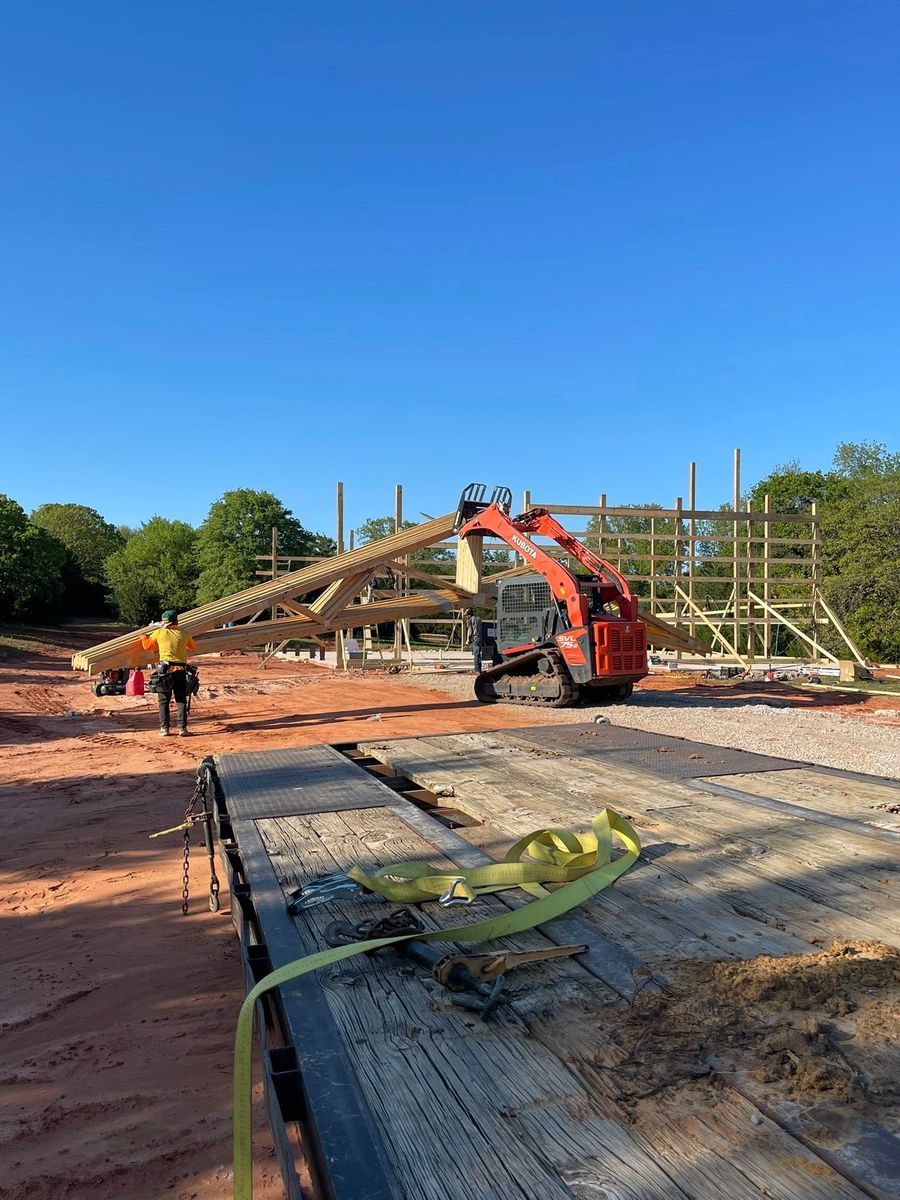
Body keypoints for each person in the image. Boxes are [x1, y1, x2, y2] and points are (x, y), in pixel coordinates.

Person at [140, 609, 197, 737]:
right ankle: (182, 729)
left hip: (164, 672)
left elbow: (147, 646)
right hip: (180, 671)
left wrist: (143, 637)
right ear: (177, 621)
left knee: (164, 701)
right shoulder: (184, 633)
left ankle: (164, 729)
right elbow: (192, 646)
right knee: (181, 699)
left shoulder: (159, 633)